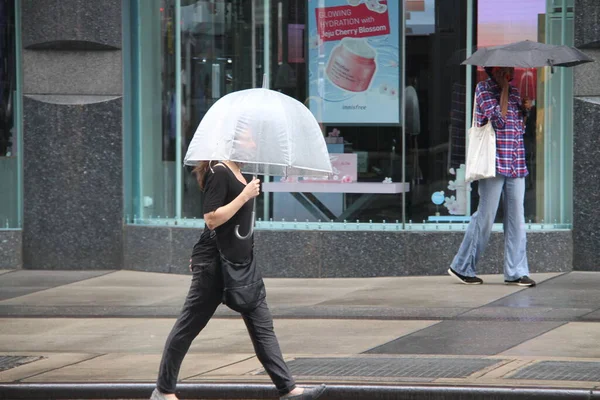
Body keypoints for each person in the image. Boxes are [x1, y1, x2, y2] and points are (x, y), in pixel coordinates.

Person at [150, 160, 326, 400]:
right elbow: (211, 218)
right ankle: (164, 390)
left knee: (263, 327)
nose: (254, 142)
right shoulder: (219, 171)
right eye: (249, 136)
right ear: (234, 140)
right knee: (187, 327)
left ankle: (289, 390)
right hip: (214, 266)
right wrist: (244, 196)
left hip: (241, 264)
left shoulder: (241, 173)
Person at [448, 66, 536, 287]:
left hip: (515, 163)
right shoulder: (483, 90)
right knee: (486, 216)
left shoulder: (515, 92)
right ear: (494, 70)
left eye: (510, 70)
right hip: (493, 163)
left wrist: (525, 111)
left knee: (517, 219)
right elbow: (499, 120)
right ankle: (462, 267)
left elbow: (518, 130)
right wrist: (505, 91)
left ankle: (516, 272)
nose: (508, 73)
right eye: (504, 70)